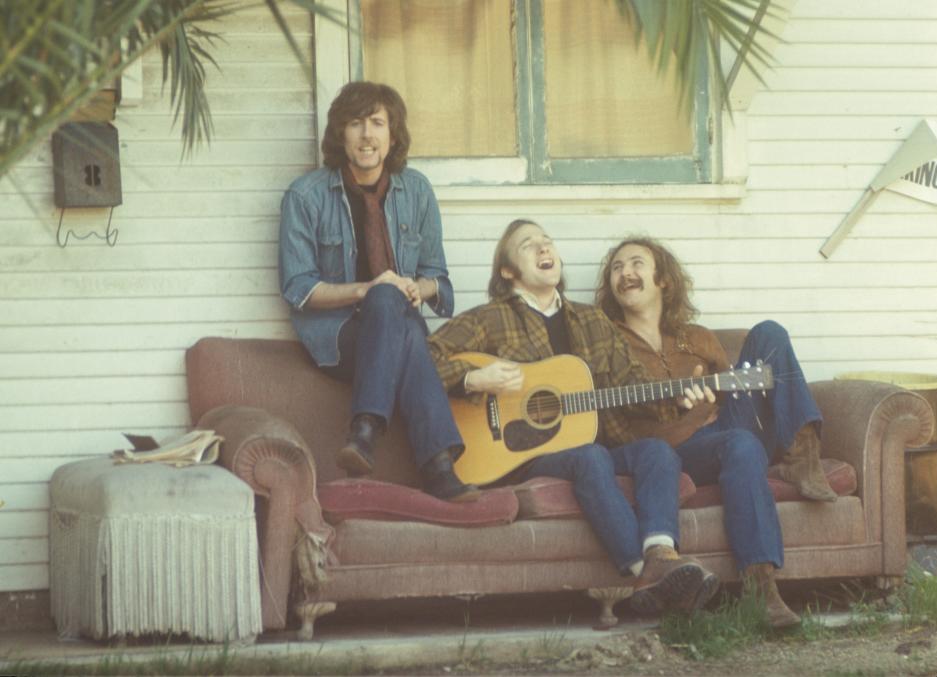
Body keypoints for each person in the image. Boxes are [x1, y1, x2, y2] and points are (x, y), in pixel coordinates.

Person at [427, 219, 720, 614]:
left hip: (592, 446)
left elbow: (632, 384)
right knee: (590, 456)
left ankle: (660, 554)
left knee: (655, 451)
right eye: (529, 245)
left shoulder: (592, 320)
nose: (544, 248)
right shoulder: (488, 319)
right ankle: (644, 573)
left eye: (548, 241)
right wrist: (472, 377)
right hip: (522, 455)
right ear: (508, 271)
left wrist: (679, 399)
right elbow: (421, 360)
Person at [596, 236, 838, 627]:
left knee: (770, 333)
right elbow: (611, 417)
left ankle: (801, 453)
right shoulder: (606, 342)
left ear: (664, 281)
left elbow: (740, 393)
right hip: (676, 449)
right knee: (740, 445)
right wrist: (678, 406)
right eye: (617, 268)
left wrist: (715, 395)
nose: (626, 273)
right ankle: (762, 590)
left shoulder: (697, 336)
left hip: (723, 425)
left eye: (637, 263)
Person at [278, 81, 478, 502]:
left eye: (377, 123)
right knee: (386, 303)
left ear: (392, 134)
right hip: (340, 339)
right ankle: (440, 467)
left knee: (396, 310)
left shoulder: (417, 190)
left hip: (400, 324)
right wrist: (369, 289)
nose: (367, 134)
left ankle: (365, 435)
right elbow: (297, 288)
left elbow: (439, 282)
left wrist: (413, 288)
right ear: (340, 134)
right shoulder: (305, 196)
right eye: (355, 123)